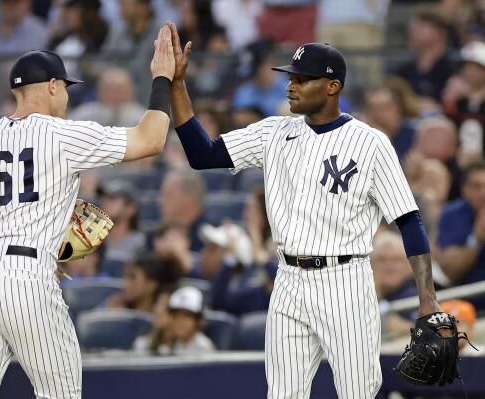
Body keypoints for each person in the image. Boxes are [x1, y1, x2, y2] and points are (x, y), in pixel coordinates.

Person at [168, 22, 447, 398]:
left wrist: (427, 298)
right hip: (288, 280)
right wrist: (177, 86)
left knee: (357, 393)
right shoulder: (274, 132)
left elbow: (409, 220)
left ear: (332, 87)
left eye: (302, 79)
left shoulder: (370, 143)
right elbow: (203, 155)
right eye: (291, 78)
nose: (291, 86)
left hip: (345, 281)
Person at [0, 23, 175, 399]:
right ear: (53, 86)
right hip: (23, 277)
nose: (67, 97)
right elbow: (151, 140)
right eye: (66, 88)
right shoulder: (60, 133)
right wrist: (162, 78)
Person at [434, 161, 485, 311]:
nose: (483, 193)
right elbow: (451, 271)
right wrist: (476, 240)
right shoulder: (452, 214)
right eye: (477, 186)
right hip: (469, 306)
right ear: (464, 190)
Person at [133, 286, 215, 355]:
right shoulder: (172, 343)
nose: (180, 321)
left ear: (198, 320)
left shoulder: (203, 347)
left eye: (186, 316)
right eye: (176, 316)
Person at [106, 252, 181, 312]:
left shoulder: (162, 317)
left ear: (151, 285)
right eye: (125, 276)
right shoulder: (117, 307)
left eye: (132, 277)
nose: (125, 283)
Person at [158, 169, 207, 252]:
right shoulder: (156, 237)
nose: (160, 201)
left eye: (168, 195)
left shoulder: (210, 240)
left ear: (188, 200)